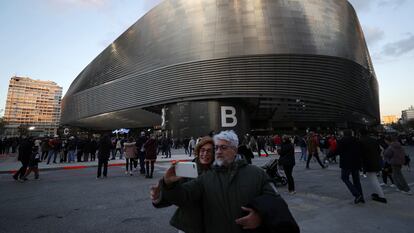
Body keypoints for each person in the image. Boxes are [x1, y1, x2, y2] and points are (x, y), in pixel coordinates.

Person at [159, 130, 299, 233]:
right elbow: (184, 196)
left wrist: (260, 216)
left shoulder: (257, 174)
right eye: (217, 148)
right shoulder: (206, 177)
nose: (218, 151)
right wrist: (169, 184)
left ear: (235, 149)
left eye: (223, 147)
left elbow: (275, 201)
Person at [151, 136, 215, 233]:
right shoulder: (188, 169)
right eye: (202, 150)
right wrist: (158, 197)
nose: (205, 154)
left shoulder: (218, 171)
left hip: (211, 224)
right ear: (198, 151)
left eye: (209, 151)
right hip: (188, 225)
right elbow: (175, 194)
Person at [336, 129, 364, 204]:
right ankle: (361, 197)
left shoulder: (342, 141)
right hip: (356, 162)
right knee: (356, 180)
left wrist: (328, 156)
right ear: (351, 134)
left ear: (344, 134)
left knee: (344, 178)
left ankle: (357, 194)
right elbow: (360, 151)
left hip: (346, 163)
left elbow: (337, 150)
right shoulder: (357, 140)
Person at [359, 129, 386, 203]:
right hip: (376, 161)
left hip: (368, 162)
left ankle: (381, 196)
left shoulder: (361, 141)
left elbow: (360, 153)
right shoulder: (374, 140)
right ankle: (377, 193)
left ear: (360, 134)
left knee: (373, 179)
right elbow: (379, 150)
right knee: (373, 178)